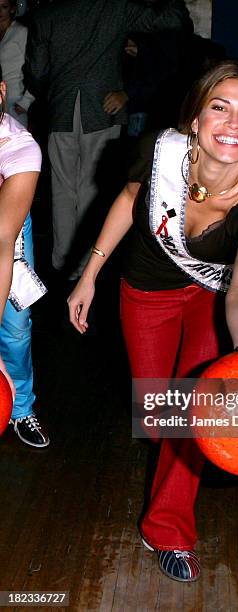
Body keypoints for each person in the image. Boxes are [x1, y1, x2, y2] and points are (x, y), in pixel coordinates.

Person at [68, 60, 238, 582]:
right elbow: (126, 198)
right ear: (195, 120)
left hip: (212, 297)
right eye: (220, 108)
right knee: (159, 409)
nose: (233, 124)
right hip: (145, 292)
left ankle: (167, 529)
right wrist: (89, 272)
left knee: (192, 413)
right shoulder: (161, 153)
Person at [23, 0, 192, 282]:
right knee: (93, 191)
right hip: (102, 109)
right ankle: (86, 264)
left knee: (63, 192)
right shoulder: (115, 8)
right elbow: (172, 20)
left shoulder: (46, 14)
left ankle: (62, 264)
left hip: (62, 109)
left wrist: (57, 89)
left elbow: (36, 73)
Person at [0, 65, 49, 447]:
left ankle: (21, 407)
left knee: (14, 327)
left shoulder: (19, 146)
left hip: (6, 231)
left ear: (1, 92)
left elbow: (1, 242)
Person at [0, 0, 34, 127]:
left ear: (12, 9)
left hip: (14, 101)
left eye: (4, 6)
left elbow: (36, 68)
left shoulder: (20, 32)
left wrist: (26, 101)